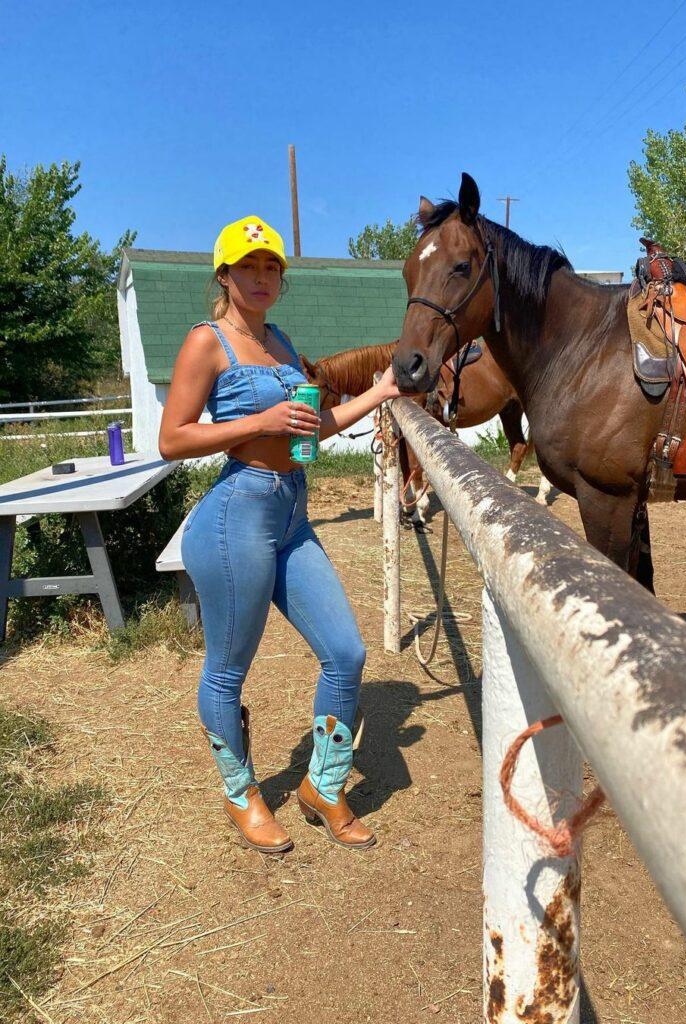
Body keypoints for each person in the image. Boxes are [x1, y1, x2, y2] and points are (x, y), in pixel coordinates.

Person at [158, 215, 402, 853]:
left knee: (346, 655)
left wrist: (379, 392)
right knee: (228, 670)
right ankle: (242, 795)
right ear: (225, 275)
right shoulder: (207, 342)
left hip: (292, 511)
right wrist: (258, 420)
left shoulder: (284, 342)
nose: (262, 277)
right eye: (248, 267)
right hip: (238, 512)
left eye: (271, 268)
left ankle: (322, 786)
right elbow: (172, 439)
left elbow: (314, 430)